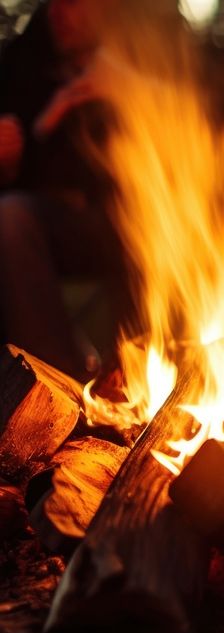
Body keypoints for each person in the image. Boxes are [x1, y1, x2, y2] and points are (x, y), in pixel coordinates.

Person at [0, 0, 127, 379]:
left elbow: (209, 130)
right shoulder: (23, 65)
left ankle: (150, 375)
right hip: (54, 224)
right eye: (55, 2)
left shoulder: (143, 53)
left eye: (75, 3)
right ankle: (59, 384)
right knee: (10, 218)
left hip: (138, 221)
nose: (59, 11)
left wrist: (132, 91)